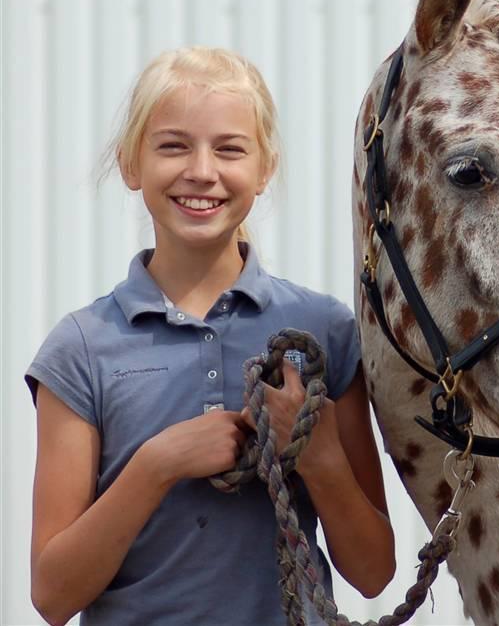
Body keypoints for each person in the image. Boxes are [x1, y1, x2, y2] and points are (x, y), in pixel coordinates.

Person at [25, 46, 396, 626]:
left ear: (264, 167)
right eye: (173, 145)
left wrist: (319, 456)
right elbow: (52, 595)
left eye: (229, 149)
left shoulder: (326, 331)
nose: (202, 170)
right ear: (130, 163)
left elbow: (373, 572)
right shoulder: (81, 348)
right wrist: (157, 464)